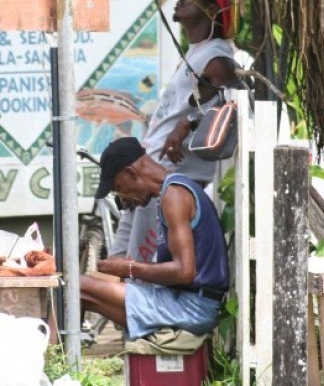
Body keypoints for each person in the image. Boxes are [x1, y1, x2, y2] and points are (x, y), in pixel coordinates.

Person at [109, 0, 247, 262]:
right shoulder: (196, 53)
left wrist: (191, 121)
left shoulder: (218, 56)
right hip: (146, 173)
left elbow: (239, 102)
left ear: (213, 11)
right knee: (118, 260)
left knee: (136, 269)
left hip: (164, 180)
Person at [80, 137, 229, 339]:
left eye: (119, 187)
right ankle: (60, 361)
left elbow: (184, 272)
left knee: (76, 285)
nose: (123, 197)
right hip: (185, 301)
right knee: (82, 294)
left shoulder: (174, 196)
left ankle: (55, 360)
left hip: (192, 308)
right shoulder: (172, 190)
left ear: (131, 172)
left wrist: (129, 269)